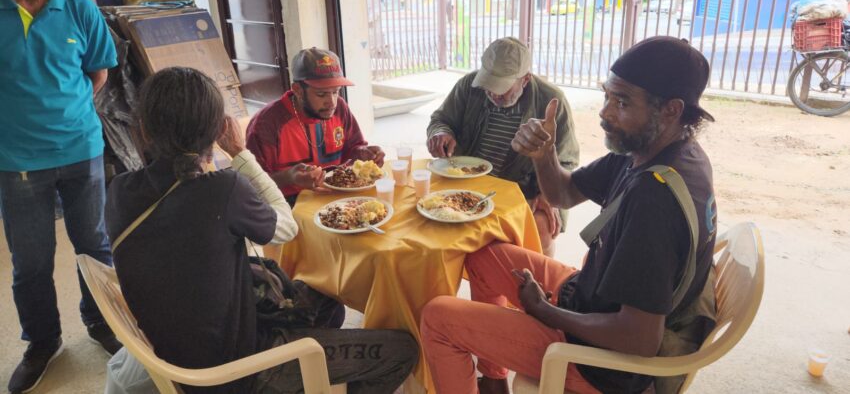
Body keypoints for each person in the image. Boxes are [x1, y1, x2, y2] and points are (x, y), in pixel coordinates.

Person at [420, 36, 719, 394]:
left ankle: (490, 358)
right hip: (590, 296)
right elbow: (563, 193)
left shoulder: (653, 198)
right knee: (482, 255)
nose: (606, 113)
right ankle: (494, 378)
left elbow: (638, 340)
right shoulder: (654, 151)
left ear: (670, 109)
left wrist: (545, 312)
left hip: (599, 361)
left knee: (437, 318)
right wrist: (544, 153)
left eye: (621, 102)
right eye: (607, 96)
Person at [106, 67, 418, 394]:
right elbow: (287, 226)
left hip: (177, 352)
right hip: (235, 369)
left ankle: (313, 375)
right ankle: (297, 371)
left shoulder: (119, 190)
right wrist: (240, 153)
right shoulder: (223, 188)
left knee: (328, 300)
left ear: (143, 128)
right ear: (217, 130)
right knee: (403, 351)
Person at [0, 0, 121, 392]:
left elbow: (99, 73)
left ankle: (102, 321)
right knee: (30, 260)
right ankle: (42, 342)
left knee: (95, 244)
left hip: (81, 150)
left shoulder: (79, 8)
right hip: (16, 161)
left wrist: (66, 117)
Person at [427, 37, 579, 257]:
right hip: (470, 182)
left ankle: (539, 287)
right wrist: (440, 132)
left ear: (525, 79)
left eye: (502, 88)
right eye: (488, 84)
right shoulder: (469, 86)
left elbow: (568, 160)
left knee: (542, 228)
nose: (493, 94)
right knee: (429, 214)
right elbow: (440, 119)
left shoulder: (551, 99)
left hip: (525, 189)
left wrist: (547, 194)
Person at [247, 48, 385, 206]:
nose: (331, 102)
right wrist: (289, 177)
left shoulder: (339, 107)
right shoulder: (267, 123)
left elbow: (354, 147)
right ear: (298, 90)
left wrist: (363, 153)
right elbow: (253, 184)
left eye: (335, 92)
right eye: (321, 94)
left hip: (339, 194)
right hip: (288, 203)